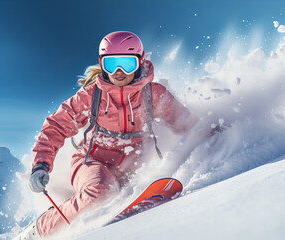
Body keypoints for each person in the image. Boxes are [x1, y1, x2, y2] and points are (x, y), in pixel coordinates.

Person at [17, 31, 199, 239]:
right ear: (101, 64)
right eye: (111, 64)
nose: (119, 72)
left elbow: (187, 123)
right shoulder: (92, 96)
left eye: (127, 64)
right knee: (101, 193)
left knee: (126, 185)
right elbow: (56, 125)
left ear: (140, 62)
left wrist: (217, 133)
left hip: (132, 165)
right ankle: (41, 228)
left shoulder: (153, 94)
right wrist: (41, 164)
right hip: (92, 161)